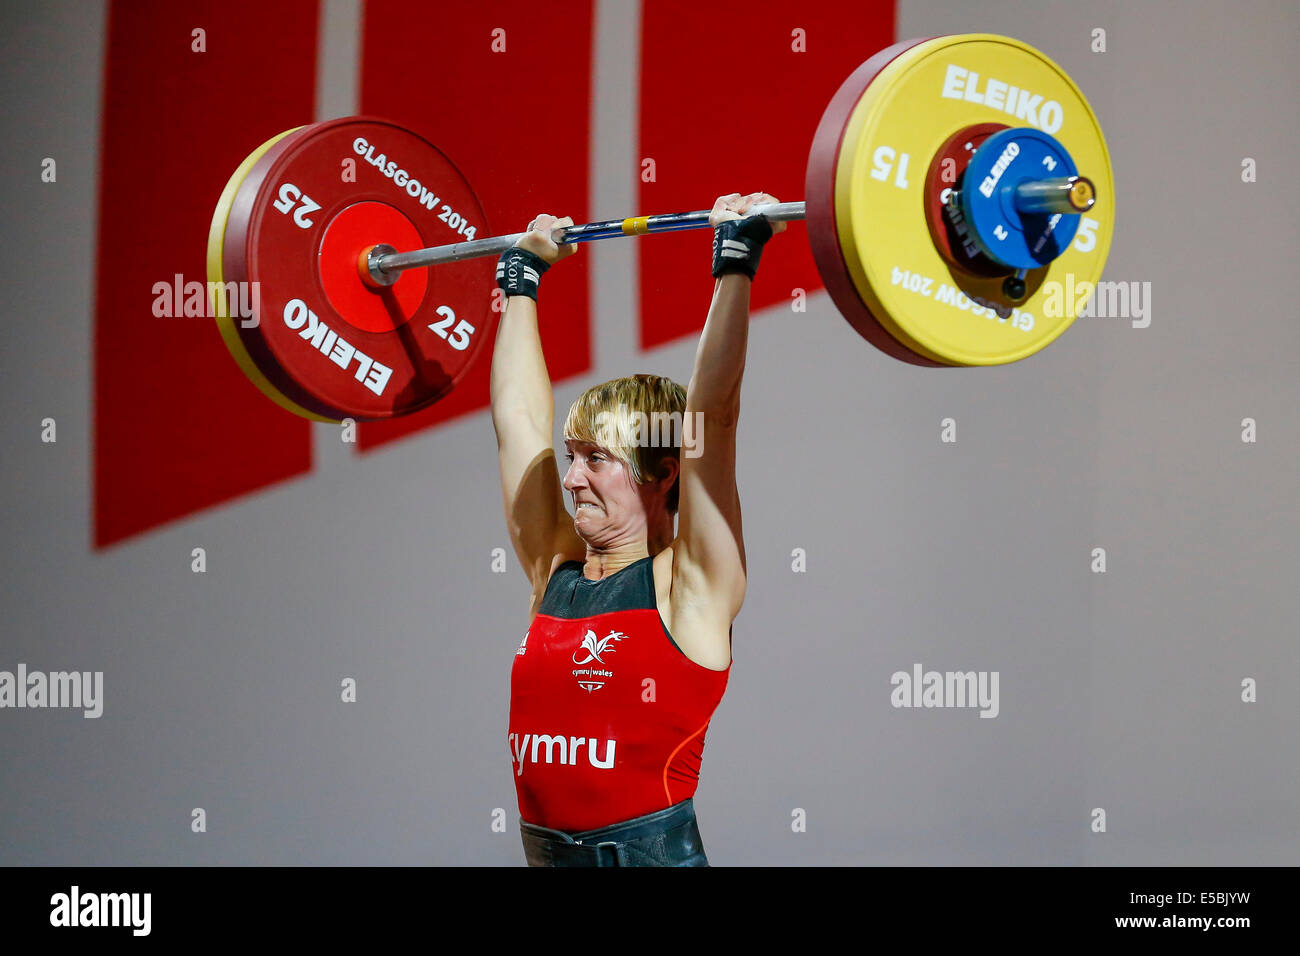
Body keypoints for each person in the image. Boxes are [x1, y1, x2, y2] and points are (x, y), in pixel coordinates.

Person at [491, 192, 785, 866]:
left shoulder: (691, 588)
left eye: (598, 461)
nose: (571, 481)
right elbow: (517, 421)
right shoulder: (553, 569)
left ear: (661, 473)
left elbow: (713, 417)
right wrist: (520, 281)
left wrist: (735, 262)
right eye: (572, 458)